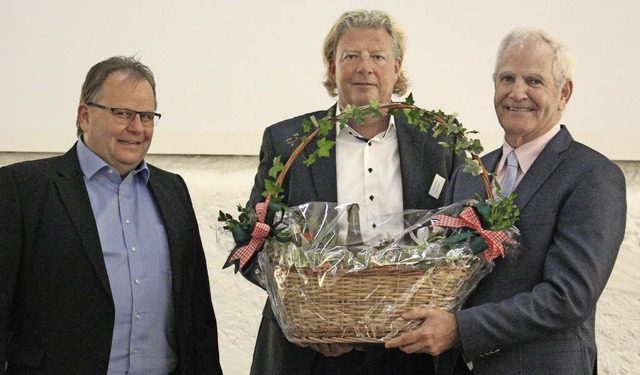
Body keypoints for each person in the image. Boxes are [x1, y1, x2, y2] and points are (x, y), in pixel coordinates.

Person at [385, 28, 627, 375]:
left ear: (564, 92)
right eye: (507, 78)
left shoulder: (592, 176)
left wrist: (460, 329)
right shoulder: (470, 173)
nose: (517, 92)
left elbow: (567, 298)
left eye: (534, 81)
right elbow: (444, 273)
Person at [242, 9, 463, 375]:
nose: (365, 68)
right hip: (311, 354)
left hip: (412, 354)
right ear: (332, 67)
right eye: (351, 57)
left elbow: (464, 240)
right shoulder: (288, 142)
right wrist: (299, 308)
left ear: (396, 66)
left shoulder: (439, 143)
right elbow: (254, 238)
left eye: (377, 56)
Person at [0, 56, 223, 374]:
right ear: (85, 115)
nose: (137, 128)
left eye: (146, 116)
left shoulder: (173, 190)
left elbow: (196, 312)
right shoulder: (23, 189)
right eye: (123, 113)